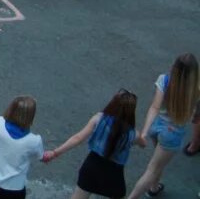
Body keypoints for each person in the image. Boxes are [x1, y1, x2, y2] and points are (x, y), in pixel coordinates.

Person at [44, 90, 143, 199]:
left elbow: (78, 138)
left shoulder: (99, 119)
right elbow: (143, 143)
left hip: (92, 167)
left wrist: (55, 153)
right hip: (114, 174)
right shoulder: (132, 134)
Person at [126, 54, 200, 199]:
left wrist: (145, 132)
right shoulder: (196, 89)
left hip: (156, 126)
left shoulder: (164, 80)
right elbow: (196, 115)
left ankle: (154, 187)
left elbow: (154, 107)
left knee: (158, 162)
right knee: (153, 169)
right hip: (172, 132)